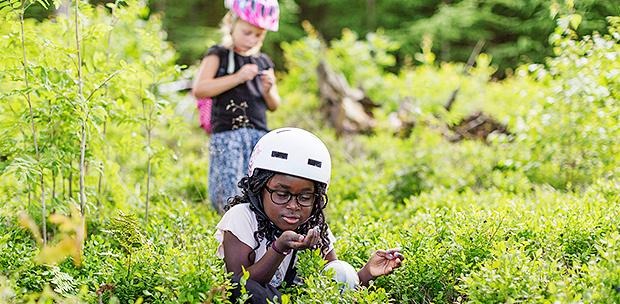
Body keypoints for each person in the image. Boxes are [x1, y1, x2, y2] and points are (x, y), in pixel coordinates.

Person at [215, 128, 404, 303]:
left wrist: (367, 273)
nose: (293, 205)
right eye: (282, 194)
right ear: (259, 188)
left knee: (342, 269)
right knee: (247, 289)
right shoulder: (242, 217)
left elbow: (334, 283)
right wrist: (279, 248)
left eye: (305, 197)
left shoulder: (314, 226)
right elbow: (239, 285)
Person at [192, 0, 282, 213]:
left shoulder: (263, 62)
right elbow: (200, 89)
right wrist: (237, 78)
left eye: (259, 35)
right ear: (231, 23)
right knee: (228, 186)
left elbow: (274, 105)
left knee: (257, 186)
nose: (252, 40)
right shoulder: (219, 54)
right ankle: (229, 228)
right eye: (247, 32)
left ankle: (254, 227)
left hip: (257, 134)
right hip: (227, 134)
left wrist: (268, 89)